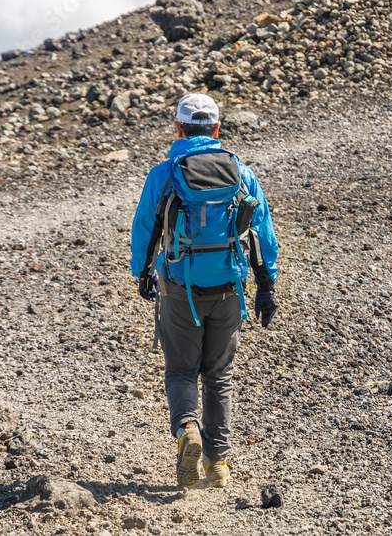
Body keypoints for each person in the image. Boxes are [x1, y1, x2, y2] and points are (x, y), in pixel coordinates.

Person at [130, 93, 279, 489]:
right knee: (219, 376)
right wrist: (266, 288)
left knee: (181, 371)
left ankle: (187, 432)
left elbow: (146, 229)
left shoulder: (164, 174)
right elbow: (262, 236)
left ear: (178, 128)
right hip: (229, 290)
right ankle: (217, 465)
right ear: (216, 129)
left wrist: (143, 274)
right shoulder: (242, 173)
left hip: (180, 289)